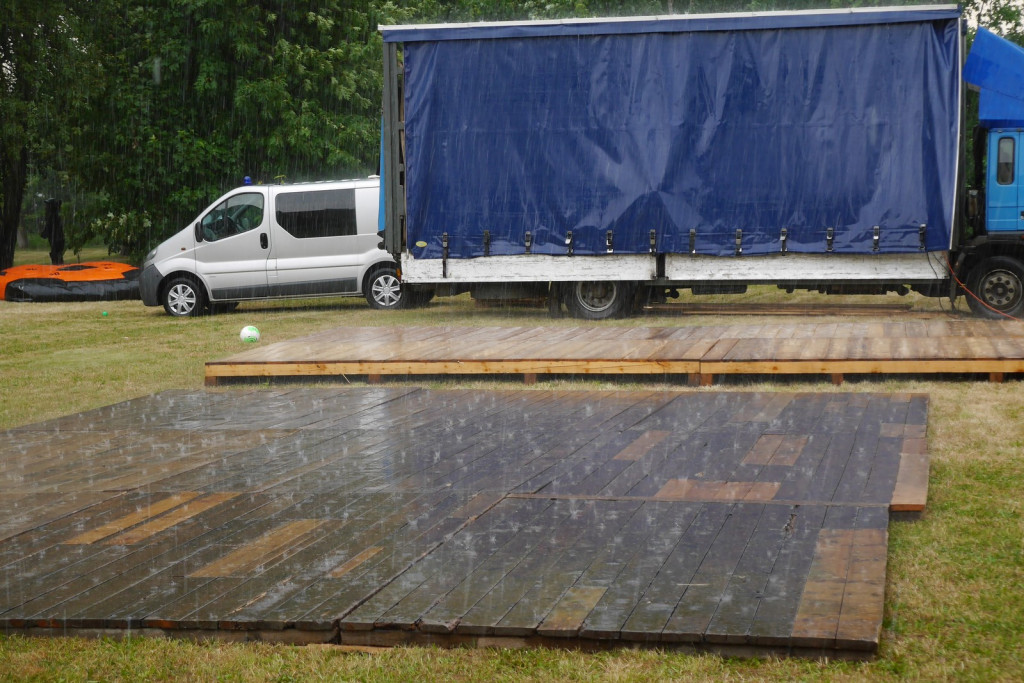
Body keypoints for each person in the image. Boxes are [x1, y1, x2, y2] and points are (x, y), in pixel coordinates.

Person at [42, 198, 65, 265]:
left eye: (47, 205)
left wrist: (43, 234)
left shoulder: (52, 217)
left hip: (56, 241)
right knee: (58, 257)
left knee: (56, 257)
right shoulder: (55, 215)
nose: (45, 207)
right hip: (58, 240)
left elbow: (48, 229)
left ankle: (57, 268)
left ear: (50, 206)